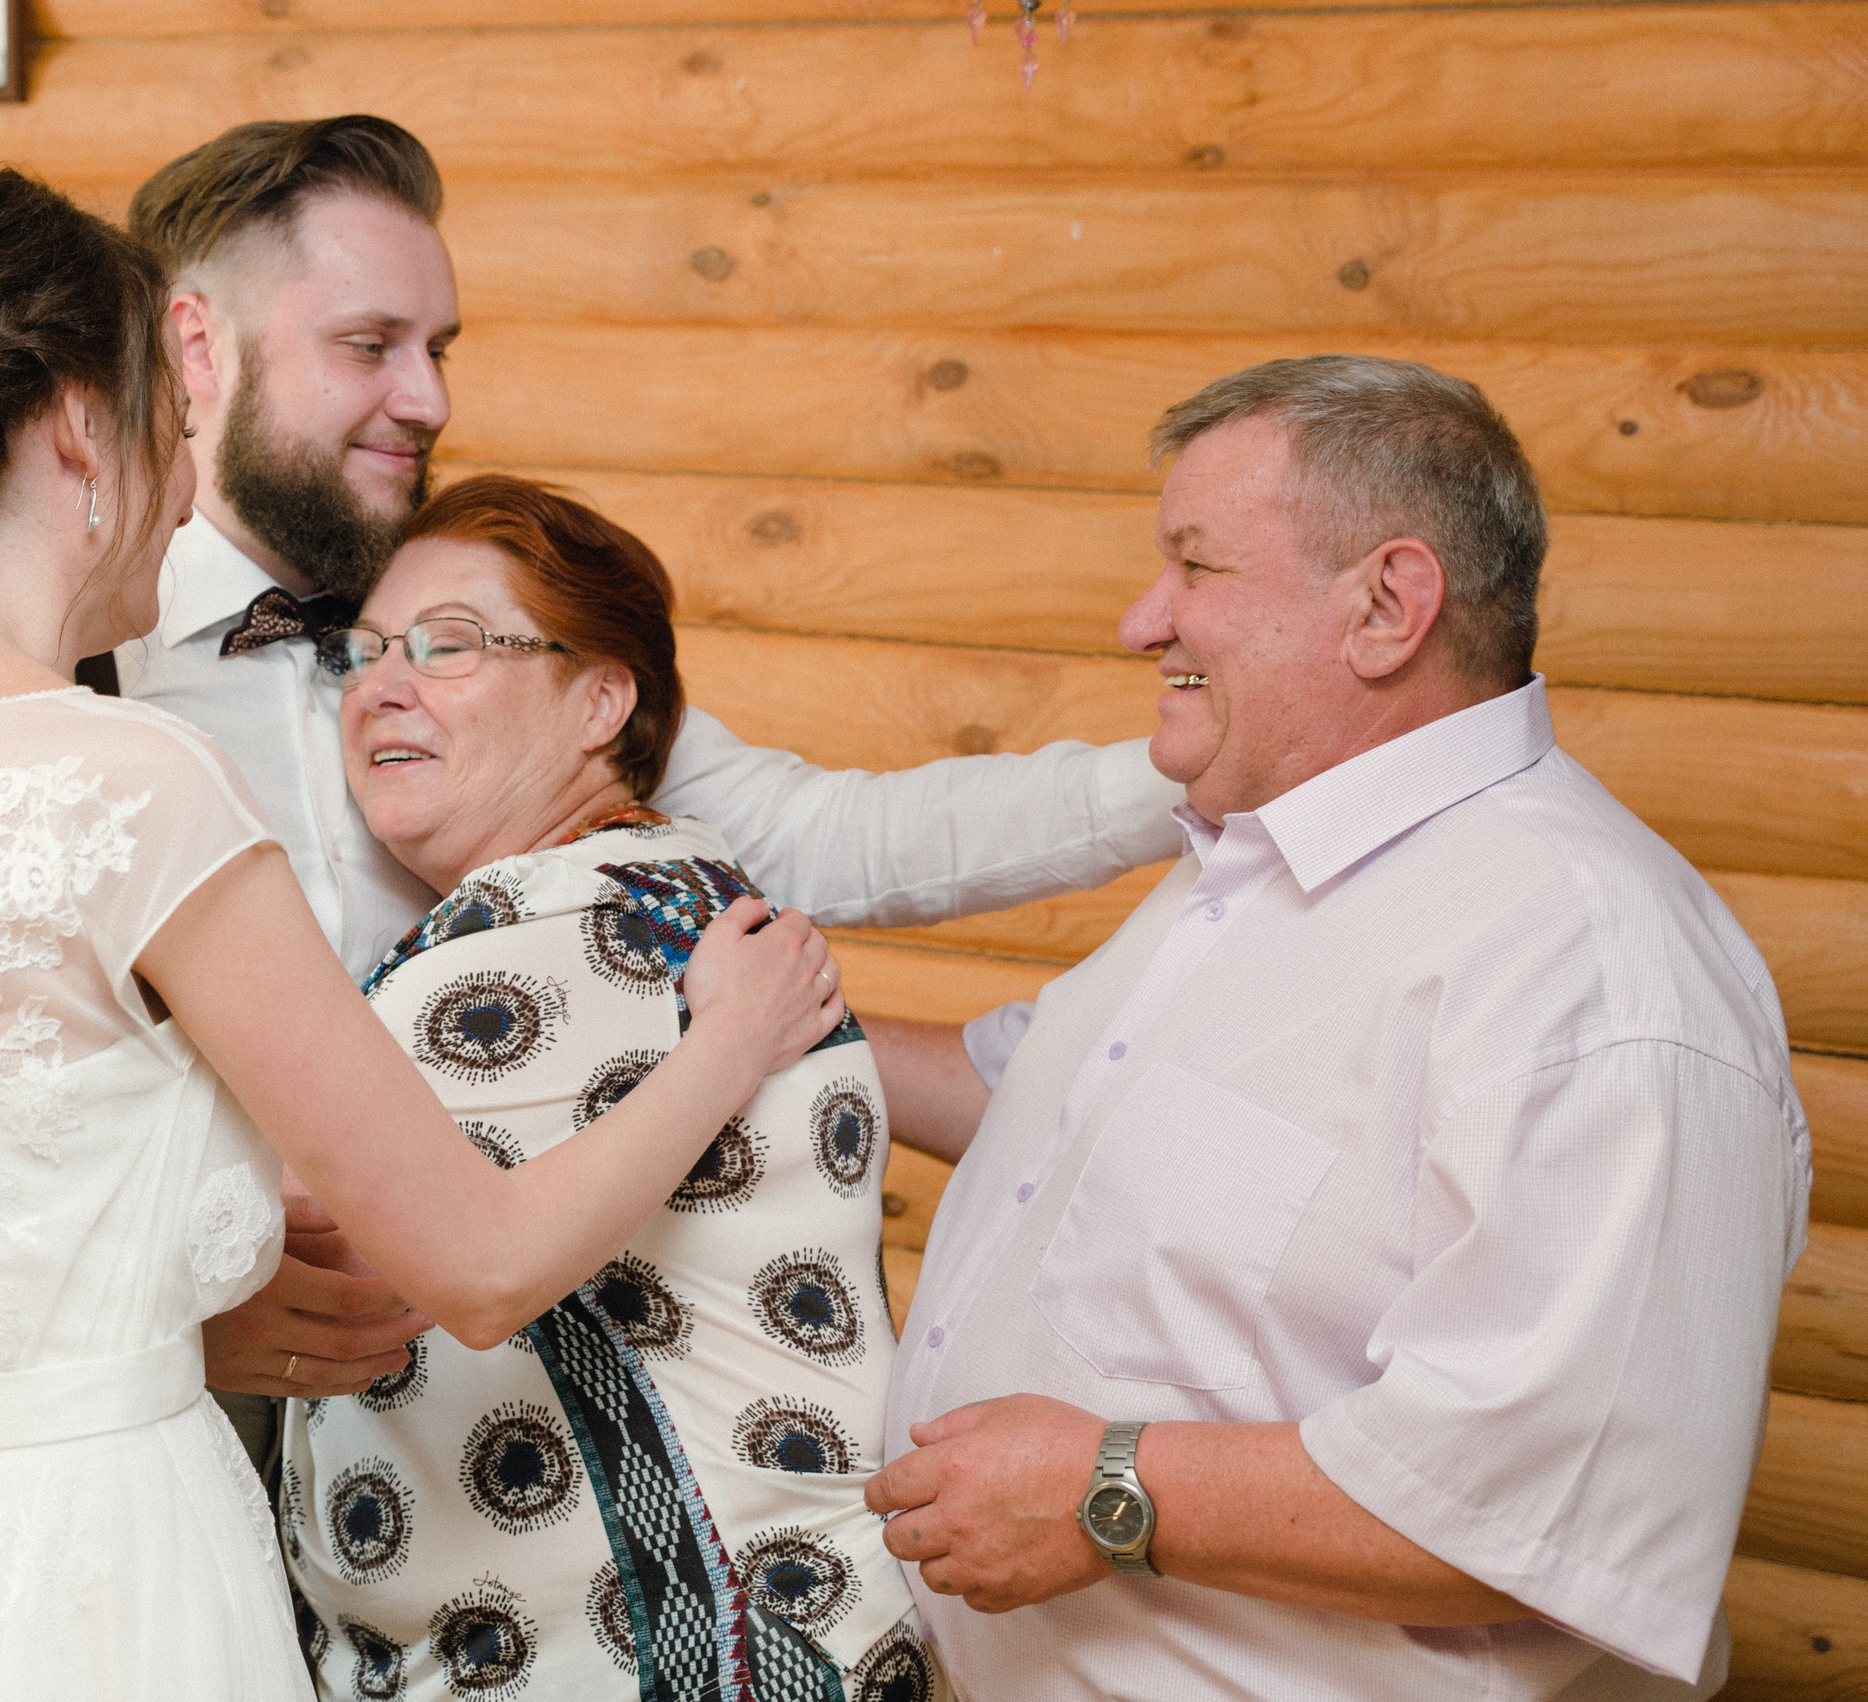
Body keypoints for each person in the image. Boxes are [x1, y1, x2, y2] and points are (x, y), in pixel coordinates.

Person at [0, 165, 845, 1702]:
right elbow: (479, 1264)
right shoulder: (126, 778)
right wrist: (728, 1036)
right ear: (81, 422)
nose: (180, 466)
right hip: (97, 1573)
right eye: (164, 413)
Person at [94, 114, 1186, 1451]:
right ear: (198, 347)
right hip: (173, 1403)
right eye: (370, 345)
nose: (429, 399)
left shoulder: (490, 637)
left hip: (513, 1408)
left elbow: (836, 834)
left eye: (438, 351)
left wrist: (1191, 774)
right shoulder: (85, 667)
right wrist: (165, 1309)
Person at [863, 354, 1810, 1701]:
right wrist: (762, 1027)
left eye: (1198, 566)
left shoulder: (1591, 967)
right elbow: (1048, 1103)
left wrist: (1105, 1488)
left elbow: (1547, 1503)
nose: (1145, 620)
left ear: (1386, 605)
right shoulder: (1252, 861)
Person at [278, 474, 952, 1700]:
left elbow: (273, 1207)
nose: (381, 682)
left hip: (683, 1657)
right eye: (366, 651)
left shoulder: (562, 922)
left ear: (601, 698)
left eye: (450, 645)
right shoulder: (653, 895)